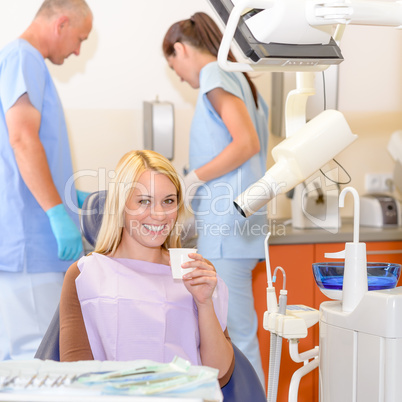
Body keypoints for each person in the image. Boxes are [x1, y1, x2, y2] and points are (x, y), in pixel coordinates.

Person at [59, 149, 234, 387]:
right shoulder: (85, 274)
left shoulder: (193, 270)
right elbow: (75, 373)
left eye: (168, 201)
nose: (159, 215)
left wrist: (204, 304)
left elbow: (219, 374)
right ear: (121, 205)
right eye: (144, 201)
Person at [162, 12, 269, 386]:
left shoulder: (214, 74)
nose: (180, 77)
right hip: (238, 225)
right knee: (238, 330)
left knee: (234, 336)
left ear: (180, 49)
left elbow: (246, 144)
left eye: (175, 67)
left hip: (227, 226)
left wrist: (194, 177)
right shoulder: (240, 78)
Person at [0, 0, 93, 360]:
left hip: (28, 244)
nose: (77, 50)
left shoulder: (23, 62)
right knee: (34, 361)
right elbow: (23, 140)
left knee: (25, 360)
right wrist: (57, 214)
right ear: (62, 23)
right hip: (29, 246)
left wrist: (72, 198)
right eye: (79, 39)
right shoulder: (22, 58)